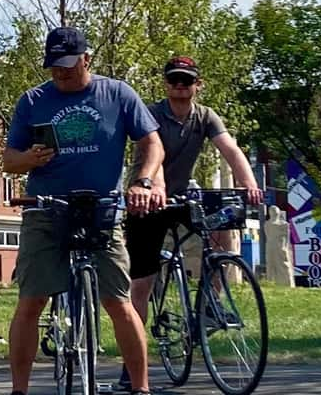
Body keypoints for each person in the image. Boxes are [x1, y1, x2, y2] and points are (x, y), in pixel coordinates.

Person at [2, 26, 164, 395]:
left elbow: (152, 144)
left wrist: (143, 182)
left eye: (68, 65)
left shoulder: (117, 94)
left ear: (86, 59)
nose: (61, 73)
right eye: (54, 66)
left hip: (102, 209)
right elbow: (9, 159)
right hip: (46, 209)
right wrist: (28, 158)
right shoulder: (32, 101)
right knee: (32, 301)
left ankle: (141, 389)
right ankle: (19, 390)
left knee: (119, 302)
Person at [117, 56, 263, 391]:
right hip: (148, 199)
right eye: (174, 80)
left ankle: (212, 298)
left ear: (198, 84)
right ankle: (131, 366)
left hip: (181, 197)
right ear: (166, 84)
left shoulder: (205, 116)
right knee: (142, 285)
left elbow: (231, 149)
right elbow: (153, 154)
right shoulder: (151, 114)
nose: (180, 86)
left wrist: (249, 183)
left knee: (223, 218)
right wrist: (154, 187)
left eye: (187, 80)